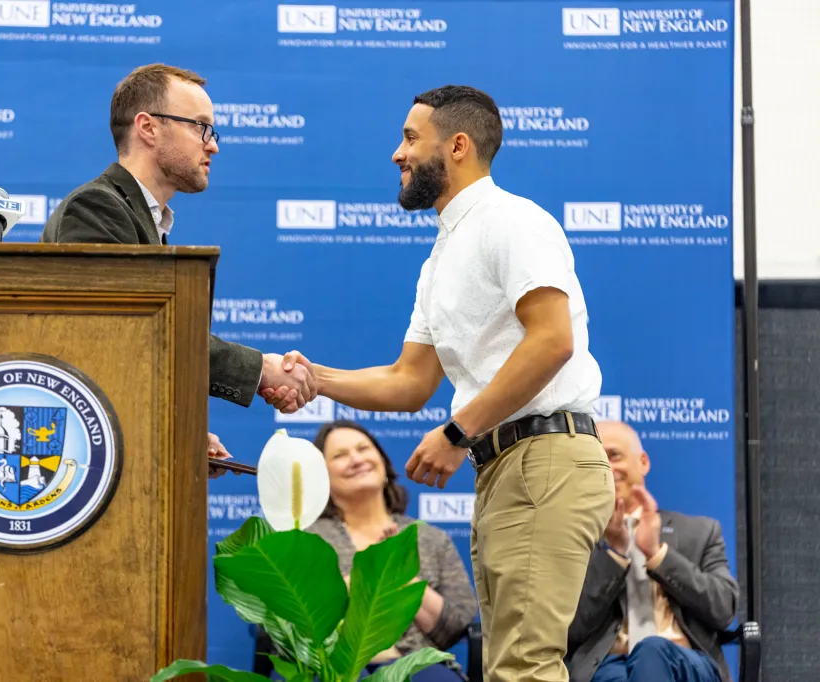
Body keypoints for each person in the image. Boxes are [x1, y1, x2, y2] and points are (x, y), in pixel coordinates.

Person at [262, 85, 615, 682]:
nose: (396, 155)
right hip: (506, 467)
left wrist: (457, 431)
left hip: (544, 460)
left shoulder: (511, 220)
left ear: (457, 145)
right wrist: (316, 380)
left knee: (524, 667)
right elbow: (409, 380)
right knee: (510, 668)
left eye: (408, 139)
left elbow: (552, 341)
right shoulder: (439, 259)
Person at [38, 63, 316, 471]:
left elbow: (128, 363)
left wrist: (175, 429)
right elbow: (127, 334)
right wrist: (259, 370)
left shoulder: (140, 217)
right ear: (148, 128)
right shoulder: (95, 208)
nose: (213, 145)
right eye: (200, 127)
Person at [565, 421, 737, 682]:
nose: (606, 468)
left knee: (652, 651)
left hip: (684, 663)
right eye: (595, 460)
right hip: (609, 666)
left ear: (643, 462)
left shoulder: (700, 532)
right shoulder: (575, 540)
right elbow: (571, 629)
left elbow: (723, 611)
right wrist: (615, 554)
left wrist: (657, 555)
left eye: (614, 455)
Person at [306, 420, 478, 681]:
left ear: (383, 464)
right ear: (323, 476)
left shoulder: (429, 539)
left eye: (363, 449)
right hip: (331, 665)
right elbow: (295, 621)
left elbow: (455, 628)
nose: (355, 459)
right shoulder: (307, 538)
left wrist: (399, 571)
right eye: (340, 456)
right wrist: (368, 573)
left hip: (418, 665)